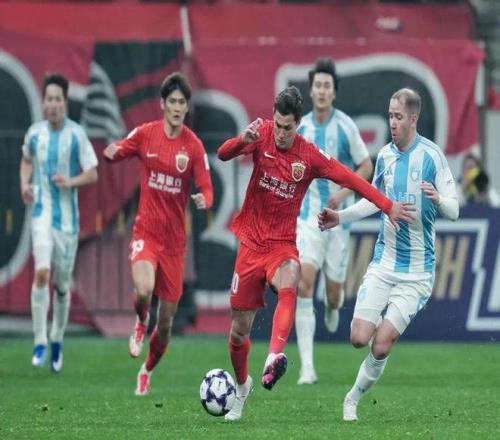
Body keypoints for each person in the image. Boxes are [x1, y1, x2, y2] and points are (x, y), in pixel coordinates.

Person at [217, 86, 414, 422]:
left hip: (281, 245)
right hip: (249, 243)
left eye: (287, 128)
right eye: (278, 125)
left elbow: (351, 179)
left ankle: (274, 357)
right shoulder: (261, 134)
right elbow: (223, 154)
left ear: (298, 125)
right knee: (238, 331)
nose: (280, 133)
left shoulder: (308, 155)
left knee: (293, 278)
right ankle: (242, 386)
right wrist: (241, 140)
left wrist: (387, 205)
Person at [318, 88, 459, 422]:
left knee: (381, 345)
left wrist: (438, 199)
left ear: (413, 119)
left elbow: (454, 210)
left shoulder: (432, 156)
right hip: (384, 263)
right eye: (390, 115)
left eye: (398, 117)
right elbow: (373, 201)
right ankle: (380, 327)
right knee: (358, 339)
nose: (392, 123)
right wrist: (341, 217)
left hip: (417, 273)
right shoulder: (384, 156)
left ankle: (352, 399)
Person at [103, 72, 213, 396]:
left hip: (174, 244)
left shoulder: (193, 146)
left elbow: (207, 187)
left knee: (165, 325)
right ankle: (140, 321)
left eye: (182, 102)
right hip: (146, 232)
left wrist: (204, 200)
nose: (177, 107)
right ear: (163, 104)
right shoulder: (146, 134)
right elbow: (122, 147)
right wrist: (113, 151)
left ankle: (147, 370)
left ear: (186, 107)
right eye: (172, 101)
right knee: (143, 290)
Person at [295, 58, 373, 385]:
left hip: (339, 221)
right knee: (303, 283)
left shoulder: (345, 126)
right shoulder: (301, 129)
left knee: (333, 294)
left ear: (334, 92)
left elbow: (366, 166)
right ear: (311, 90)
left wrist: (343, 194)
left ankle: (332, 306)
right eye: (318, 85)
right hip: (308, 219)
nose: (322, 90)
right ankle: (307, 368)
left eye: (327, 85)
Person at [19, 73, 99, 373]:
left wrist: (71, 181)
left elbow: (93, 172)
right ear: (43, 102)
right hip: (41, 215)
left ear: (65, 102)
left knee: (62, 286)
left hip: (67, 223)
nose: (52, 104)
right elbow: (26, 158)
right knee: (42, 273)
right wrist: (24, 184)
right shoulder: (35, 133)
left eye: (57, 99)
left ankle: (56, 338)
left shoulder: (76, 135)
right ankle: (39, 340)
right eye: (48, 99)